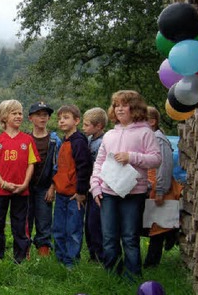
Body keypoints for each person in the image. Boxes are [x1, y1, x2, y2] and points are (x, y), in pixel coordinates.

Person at [90, 90, 161, 280]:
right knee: (109, 237)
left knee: (130, 237)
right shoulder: (110, 135)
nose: (119, 109)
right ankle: (112, 275)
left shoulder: (145, 132)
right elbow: (99, 162)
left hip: (134, 192)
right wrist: (95, 187)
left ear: (135, 108)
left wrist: (132, 157)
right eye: (116, 105)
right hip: (107, 192)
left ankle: (132, 277)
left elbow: (156, 159)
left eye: (124, 105)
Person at [0, 100, 39, 263]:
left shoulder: (27, 140)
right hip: (1, 190)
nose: (18, 116)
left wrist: (24, 184)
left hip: (21, 191)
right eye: (14, 113)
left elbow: (31, 164)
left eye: (20, 113)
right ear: (4, 117)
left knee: (20, 226)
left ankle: (21, 259)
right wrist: (3, 183)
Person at [48, 104, 91, 268]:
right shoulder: (63, 142)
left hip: (75, 195)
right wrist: (54, 186)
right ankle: (59, 258)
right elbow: (58, 168)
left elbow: (84, 168)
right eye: (59, 119)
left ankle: (71, 262)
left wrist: (81, 192)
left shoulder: (79, 142)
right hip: (61, 193)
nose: (61, 121)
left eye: (66, 118)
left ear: (77, 121)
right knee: (58, 228)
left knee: (73, 230)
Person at [144, 106, 182, 268]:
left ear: (152, 122)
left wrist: (161, 189)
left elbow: (164, 166)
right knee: (154, 226)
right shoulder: (149, 139)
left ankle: (151, 265)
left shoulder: (159, 140)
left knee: (158, 228)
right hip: (151, 188)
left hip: (160, 189)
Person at [26, 102, 61, 257]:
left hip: (45, 187)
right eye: (38, 115)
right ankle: (23, 252)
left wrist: (53, 187)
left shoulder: (54, 141)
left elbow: (58, 165)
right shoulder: (25, 140)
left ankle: (43, 255)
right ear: (30, 118)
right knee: (25, 221)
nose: (42, 118)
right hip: (25, 187)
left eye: (45, 115)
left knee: (44, 221)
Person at [81, 107, 107, 263]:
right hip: (89, 188)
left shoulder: (103, 142)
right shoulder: (89, 140)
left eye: (87, 125)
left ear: (99, 126)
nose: (83, 128)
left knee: (96, 222)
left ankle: (100, 254)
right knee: (89, 223)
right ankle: (92, 253)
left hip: (100, 187)